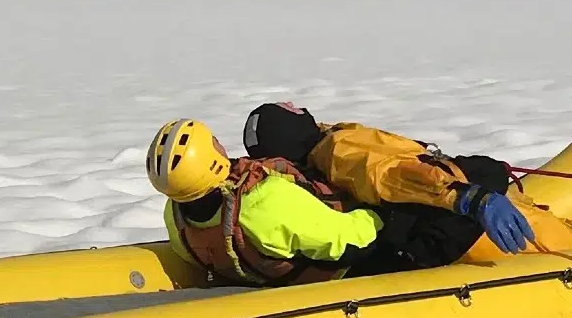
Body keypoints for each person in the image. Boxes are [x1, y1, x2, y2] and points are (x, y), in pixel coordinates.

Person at [241, 102, 572, 272]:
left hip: (443, 219)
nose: (299, 107)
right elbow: (389, 173)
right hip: (460, 222)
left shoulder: (323, 150)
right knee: (571, 248)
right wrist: (466, 196)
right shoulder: (340, 150)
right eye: (290, 109)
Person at [146, 118, 399, 286]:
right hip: (337, 279)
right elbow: (350, 242)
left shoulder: (176, 215)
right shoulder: (264, 201)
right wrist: (383, 215)